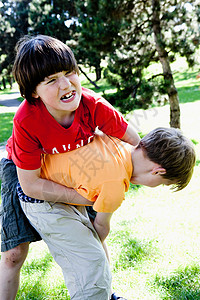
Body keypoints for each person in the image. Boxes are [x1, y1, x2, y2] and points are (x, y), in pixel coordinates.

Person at [0, 34, 140, 300]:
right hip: (22, 170)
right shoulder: (26, 120)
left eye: (69, 72)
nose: (66, 84)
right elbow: (30, 184)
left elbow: (136, 142)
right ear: (33, 92)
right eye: (51, 80)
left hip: (75, 168)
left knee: (93, 234)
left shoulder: (92, 105)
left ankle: (106, 294)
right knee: (14, 253)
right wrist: (83, 197)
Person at [17, 127, 196, 247]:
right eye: (163, 184)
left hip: (30, 165)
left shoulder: (112, 138)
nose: (158, 186)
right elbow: (101, 226)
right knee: (91, 258)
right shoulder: (115, 186)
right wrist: (96, 245)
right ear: (158, 171)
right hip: (37, 194)